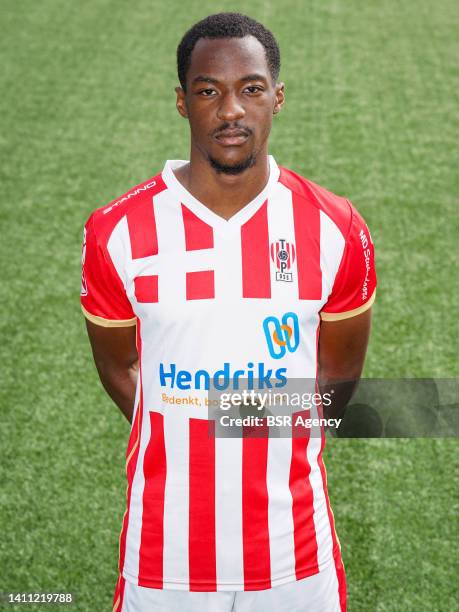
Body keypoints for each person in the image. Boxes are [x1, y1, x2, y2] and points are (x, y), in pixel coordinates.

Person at [81, 12, 376, 612]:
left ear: (278, 97)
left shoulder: (335, 227)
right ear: (183, 103)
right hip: (164, 555)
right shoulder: (117, 231)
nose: (231, 110)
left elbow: (338, 382)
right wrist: (188, 418)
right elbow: (119, 369)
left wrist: (234, 416)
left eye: (251, 88)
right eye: (209, 91)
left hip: (295, 553)